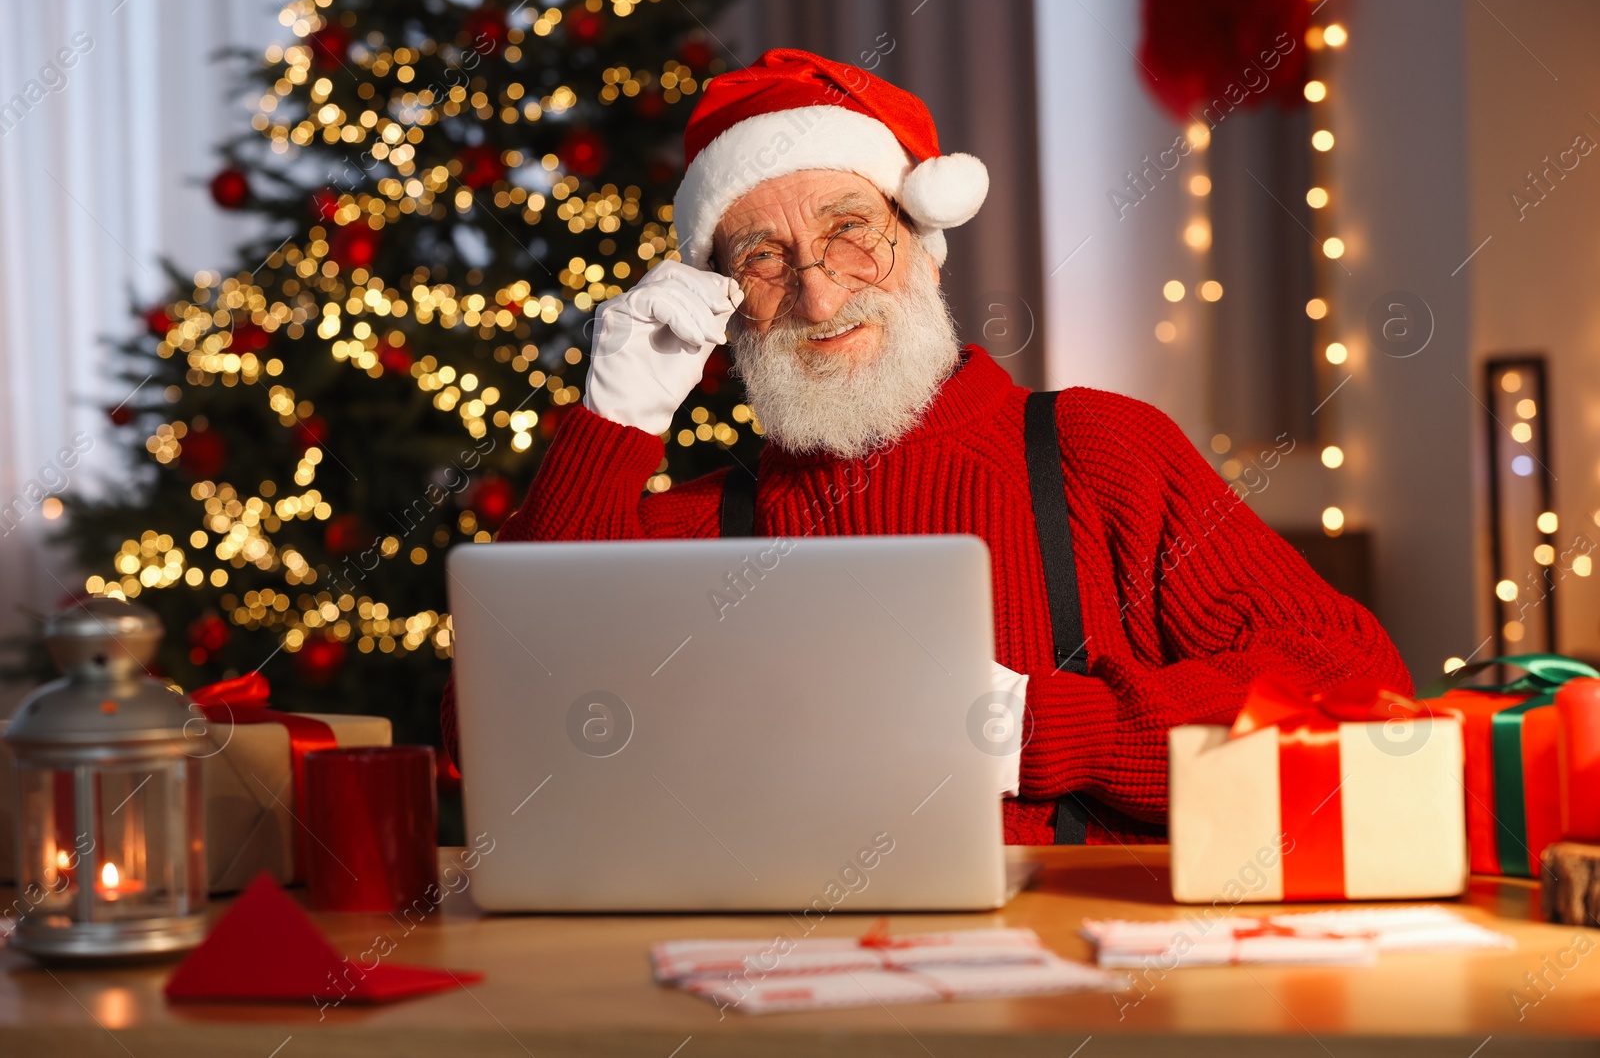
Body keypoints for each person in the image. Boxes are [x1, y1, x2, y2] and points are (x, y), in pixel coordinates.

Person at [440, 48, 1411, 845]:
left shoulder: (1100, 451)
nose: (818, 296)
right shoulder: (693, 528)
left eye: (850, 231)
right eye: (762, 258)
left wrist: (1044, 730)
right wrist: (612, 427)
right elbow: (502, 745)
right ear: (723, 304)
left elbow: (1353, 684)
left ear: (922, 239)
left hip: (1091, 980)